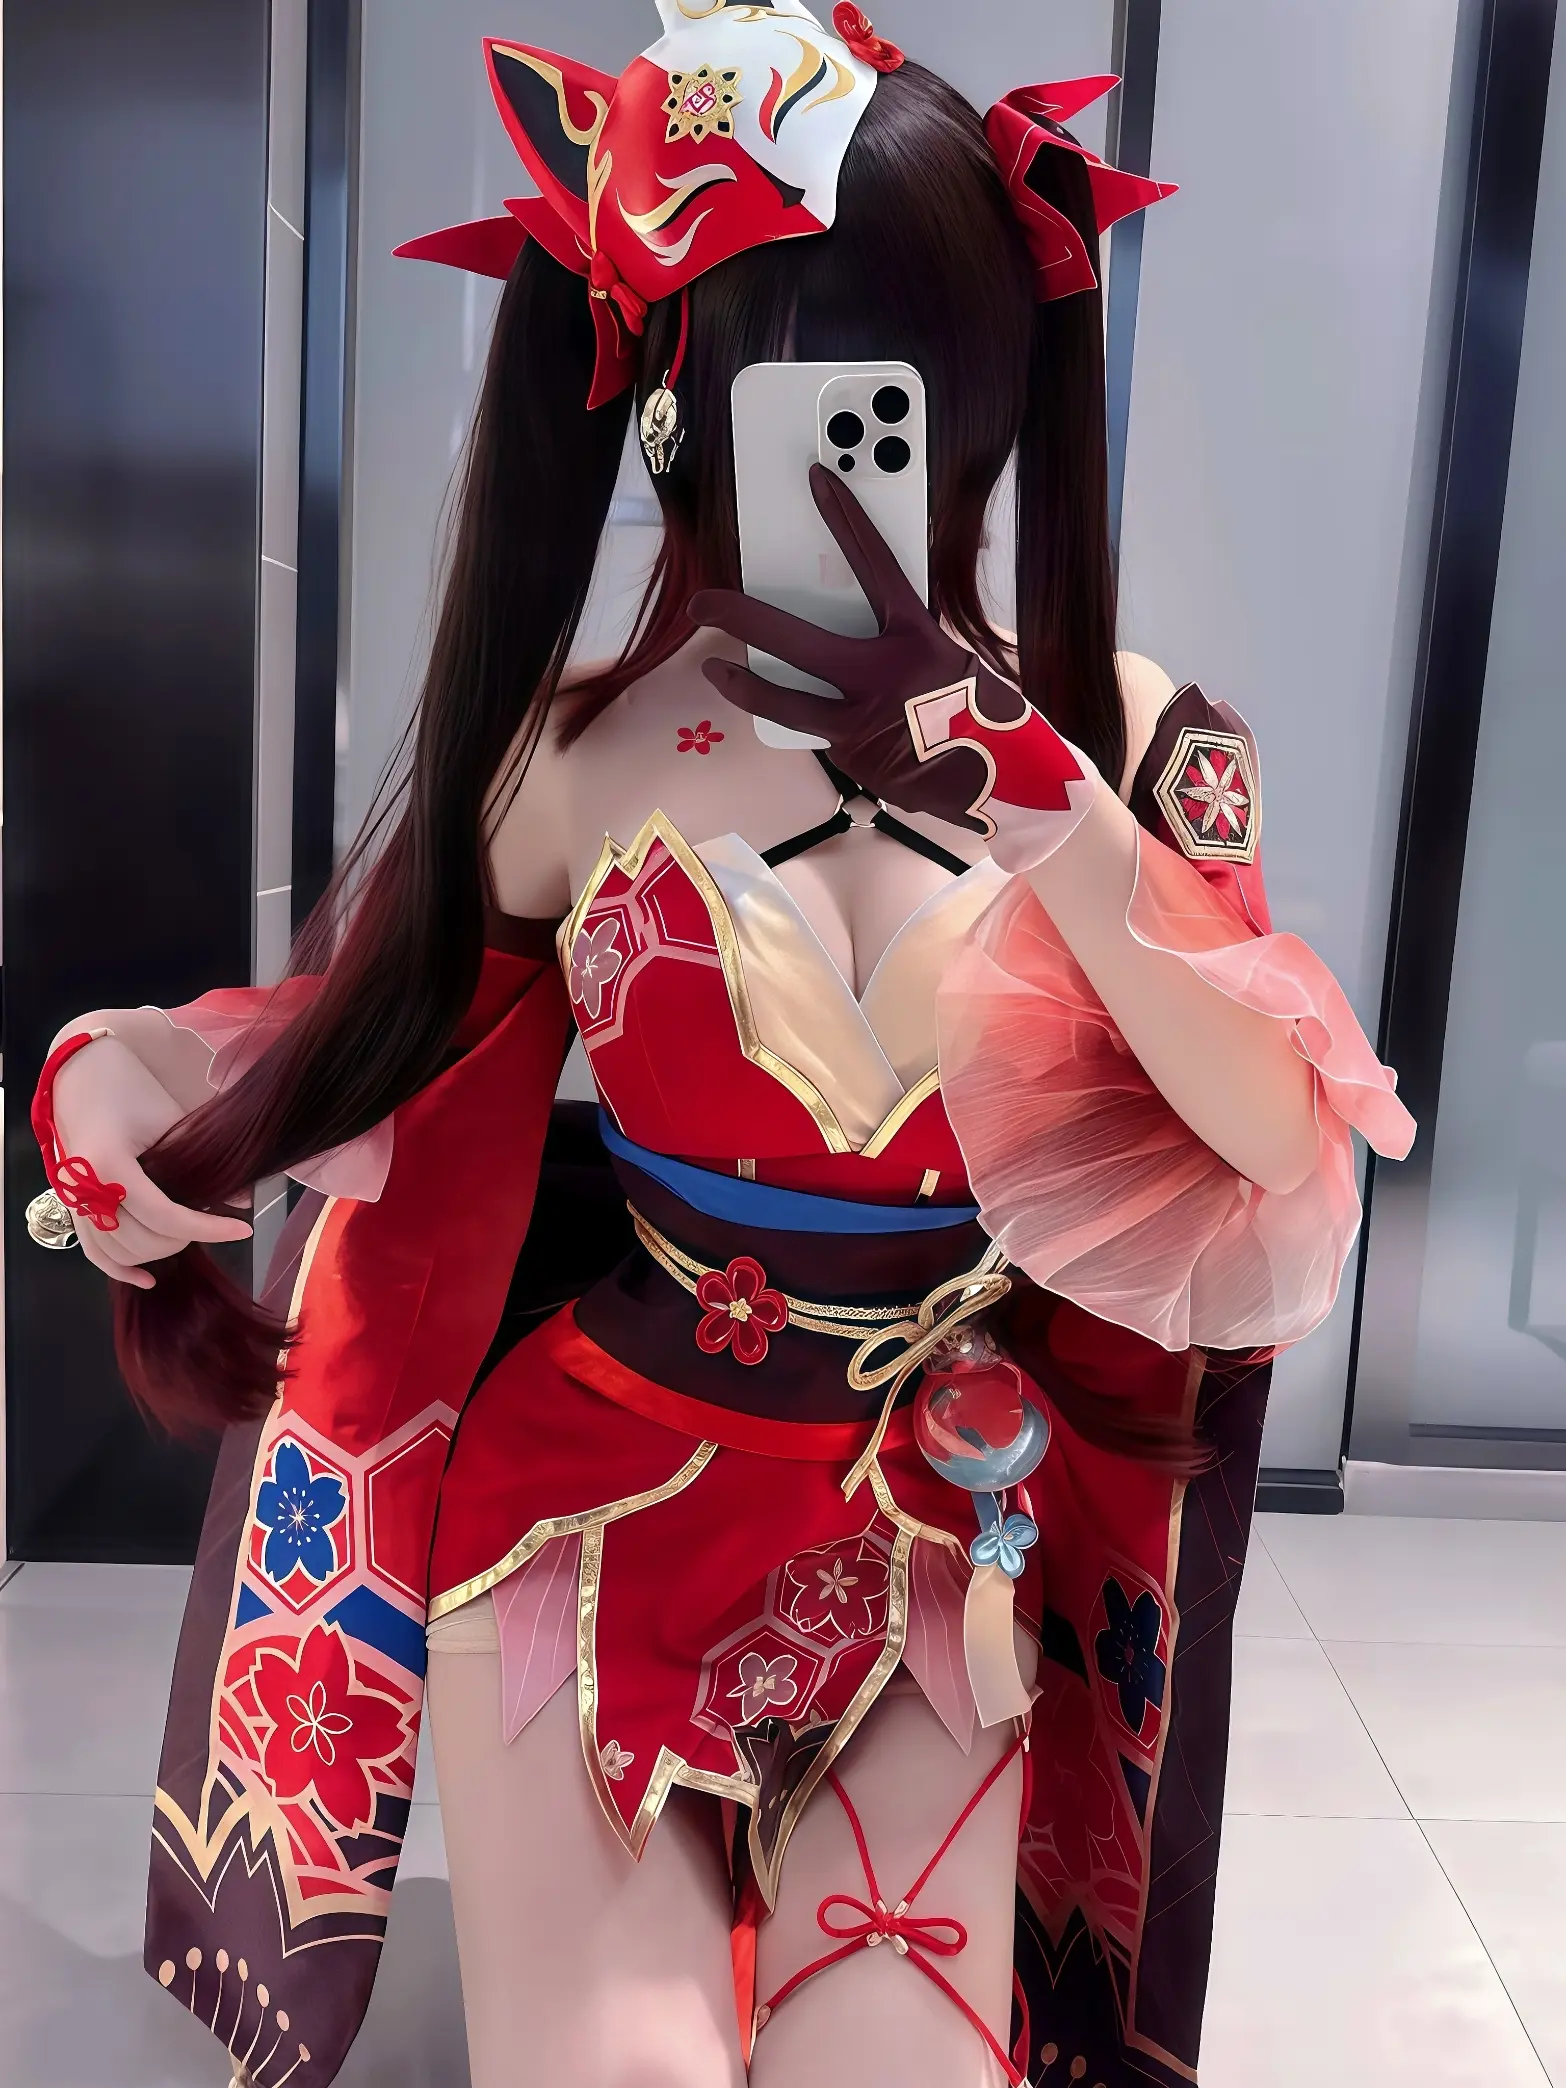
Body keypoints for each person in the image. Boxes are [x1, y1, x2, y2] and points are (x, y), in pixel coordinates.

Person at [29, 8, 1414, 2085]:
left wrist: (1047, 809)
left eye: (909, 375)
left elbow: (1279, 1161)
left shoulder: (1119, 739)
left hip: (945, 1527)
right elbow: (359, 1043)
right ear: (677, 399)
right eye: (800, 378)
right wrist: (130, 1084)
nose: (858, 438)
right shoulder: (571, 760)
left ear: (991, 388)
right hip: (588, 1510)